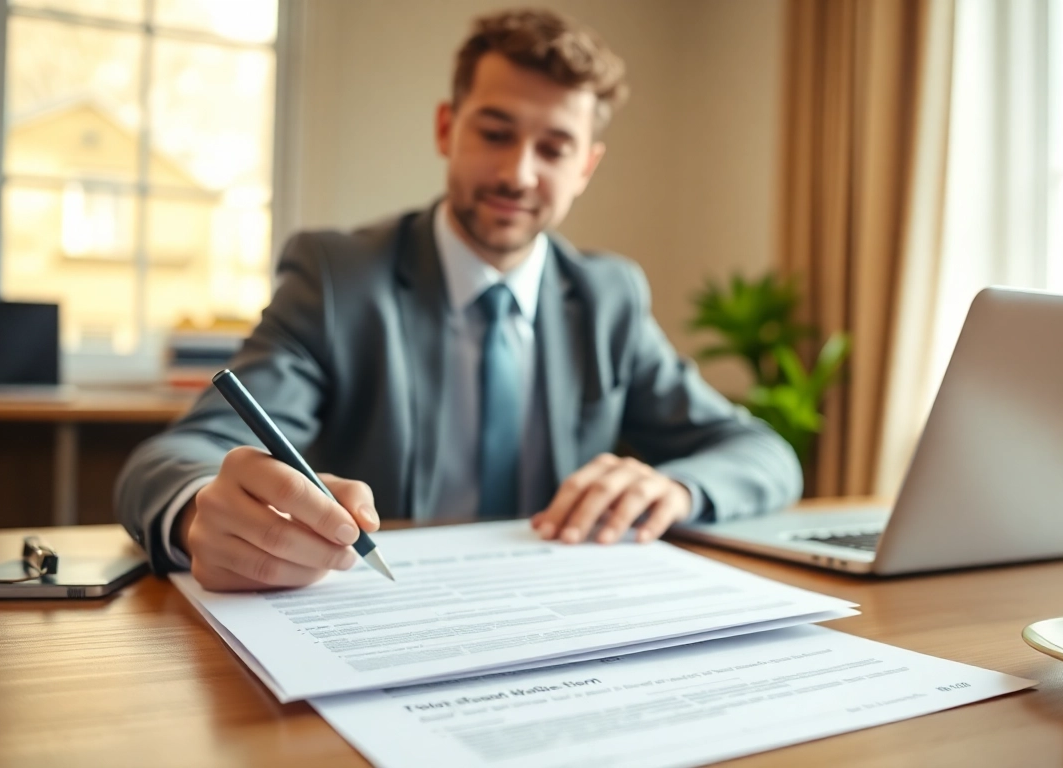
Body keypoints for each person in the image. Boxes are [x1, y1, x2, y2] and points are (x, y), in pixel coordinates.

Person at [115, 8, 801, 592]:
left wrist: (677, 490)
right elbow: (180, 455)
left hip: (559, 618)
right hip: (380, 621)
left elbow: (760, 452)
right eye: (495, 133)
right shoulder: (338, 278)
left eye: (555, 148)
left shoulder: (606, 296)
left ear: (585, 166)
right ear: (448, 128)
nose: (517, 173)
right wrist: (199, 508)